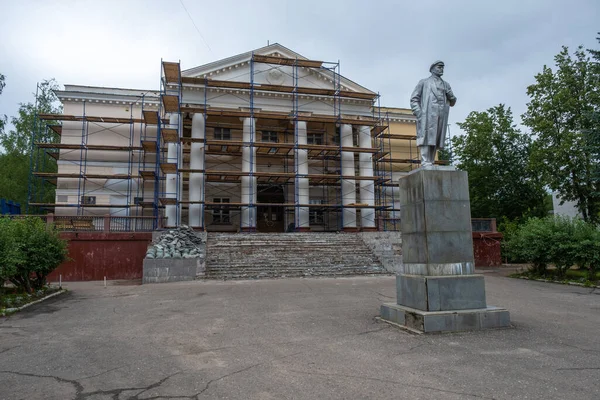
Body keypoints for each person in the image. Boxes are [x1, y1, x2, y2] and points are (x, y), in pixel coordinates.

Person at [410, 61, 457, 167]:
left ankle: (431, 161)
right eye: (439, 67)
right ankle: (425, 160)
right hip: (427, 114)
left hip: (441, 114)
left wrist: (451, 96)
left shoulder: (446, 85)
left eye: (443, 67)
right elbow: (414, 99)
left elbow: (453, 102)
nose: (442, 69)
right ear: (432, 69)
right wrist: (419, 113)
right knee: (426, 137)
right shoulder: (424, 82)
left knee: (435, 138)